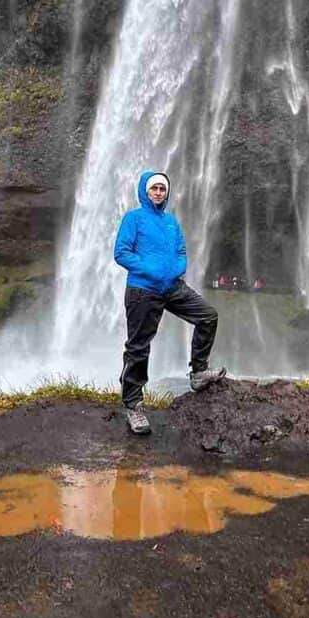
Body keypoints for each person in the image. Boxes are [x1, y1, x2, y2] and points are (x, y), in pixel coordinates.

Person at [113, 170, 226, 435]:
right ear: (145, 191)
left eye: (163, 189)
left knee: (208, 316)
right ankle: (134, 405)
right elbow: (121, 252)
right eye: (154, 188)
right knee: (138, 347)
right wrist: (150, 270)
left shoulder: (171, 222)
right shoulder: (134, 218)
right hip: (143, 290)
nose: (159, 193)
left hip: (172, 287)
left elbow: (181, 251)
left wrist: (177, 268)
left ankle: (198, 373)